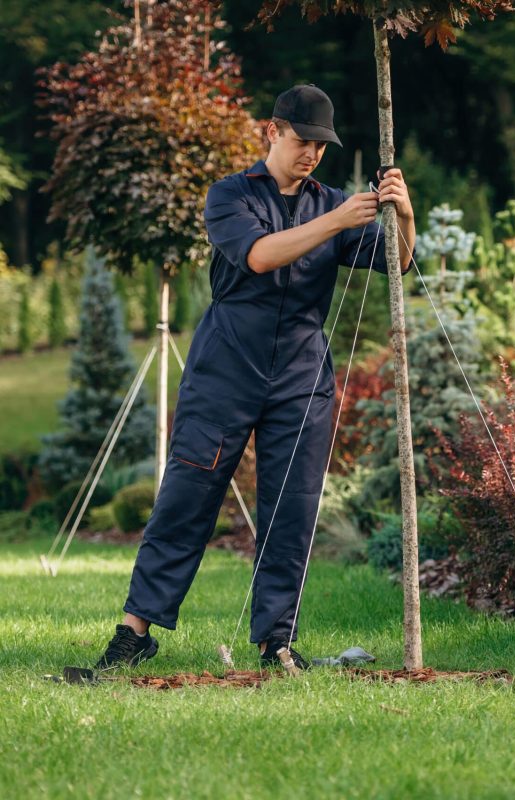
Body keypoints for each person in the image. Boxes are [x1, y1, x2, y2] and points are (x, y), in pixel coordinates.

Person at [94, 84, 415, 671]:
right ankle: (134, 632)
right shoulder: (230, 195)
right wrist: (339, 220)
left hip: (302, 375)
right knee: (186, 498)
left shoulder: (330, 201)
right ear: (272, 131)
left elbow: (397, 260)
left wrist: (405, 212)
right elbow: (261, 255)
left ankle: (277, 643)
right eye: (302, 140)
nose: (312, 153)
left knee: (291, 511)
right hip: (225, 369)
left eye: (322, 145)